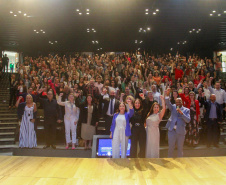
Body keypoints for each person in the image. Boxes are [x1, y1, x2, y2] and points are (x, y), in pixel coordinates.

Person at [165, 88, 191, 157]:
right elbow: (167, 103)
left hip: (180, 132)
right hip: (172, 131)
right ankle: (169, 162)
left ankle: (180, 163)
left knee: (180, 149)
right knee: (170, 148)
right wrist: (167, 95)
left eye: (179, 102)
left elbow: (188, 120)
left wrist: (181, 113)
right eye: (176, 102)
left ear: (182, 102)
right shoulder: (173, 107)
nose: (178, 104)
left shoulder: (186, 110)